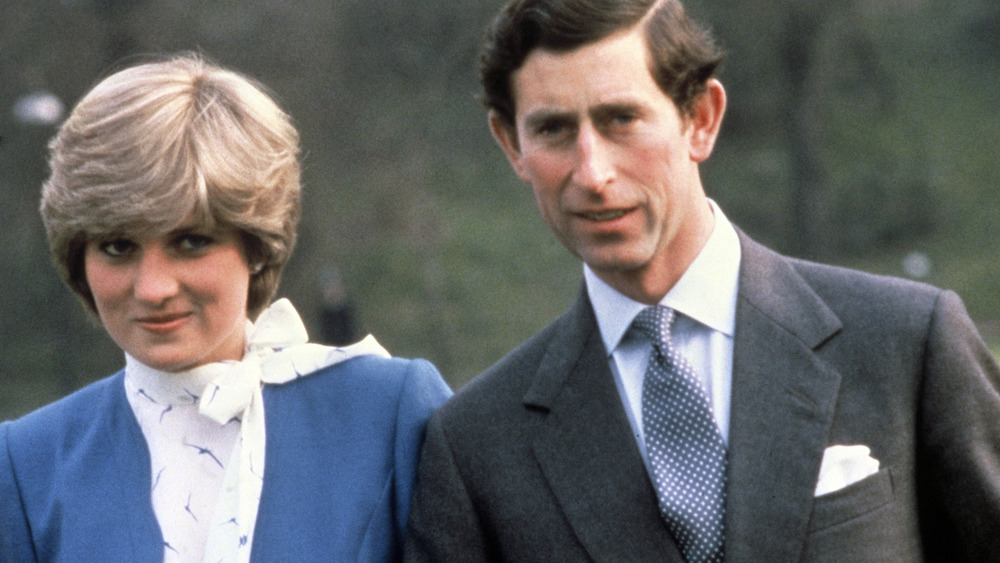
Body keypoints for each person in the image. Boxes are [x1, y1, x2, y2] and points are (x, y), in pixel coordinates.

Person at [403, 1, 1000, 561]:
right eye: (555, 130)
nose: (593, 173)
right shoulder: (476, 450)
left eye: (622, 119)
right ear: (512, 144)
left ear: (701, 119)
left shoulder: (907, 344)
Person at [0, 54, 451, 562]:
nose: (152, 287)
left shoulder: (390, 412)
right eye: (118, 246)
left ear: (255, 245)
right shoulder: (25, 462)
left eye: (190, 242)